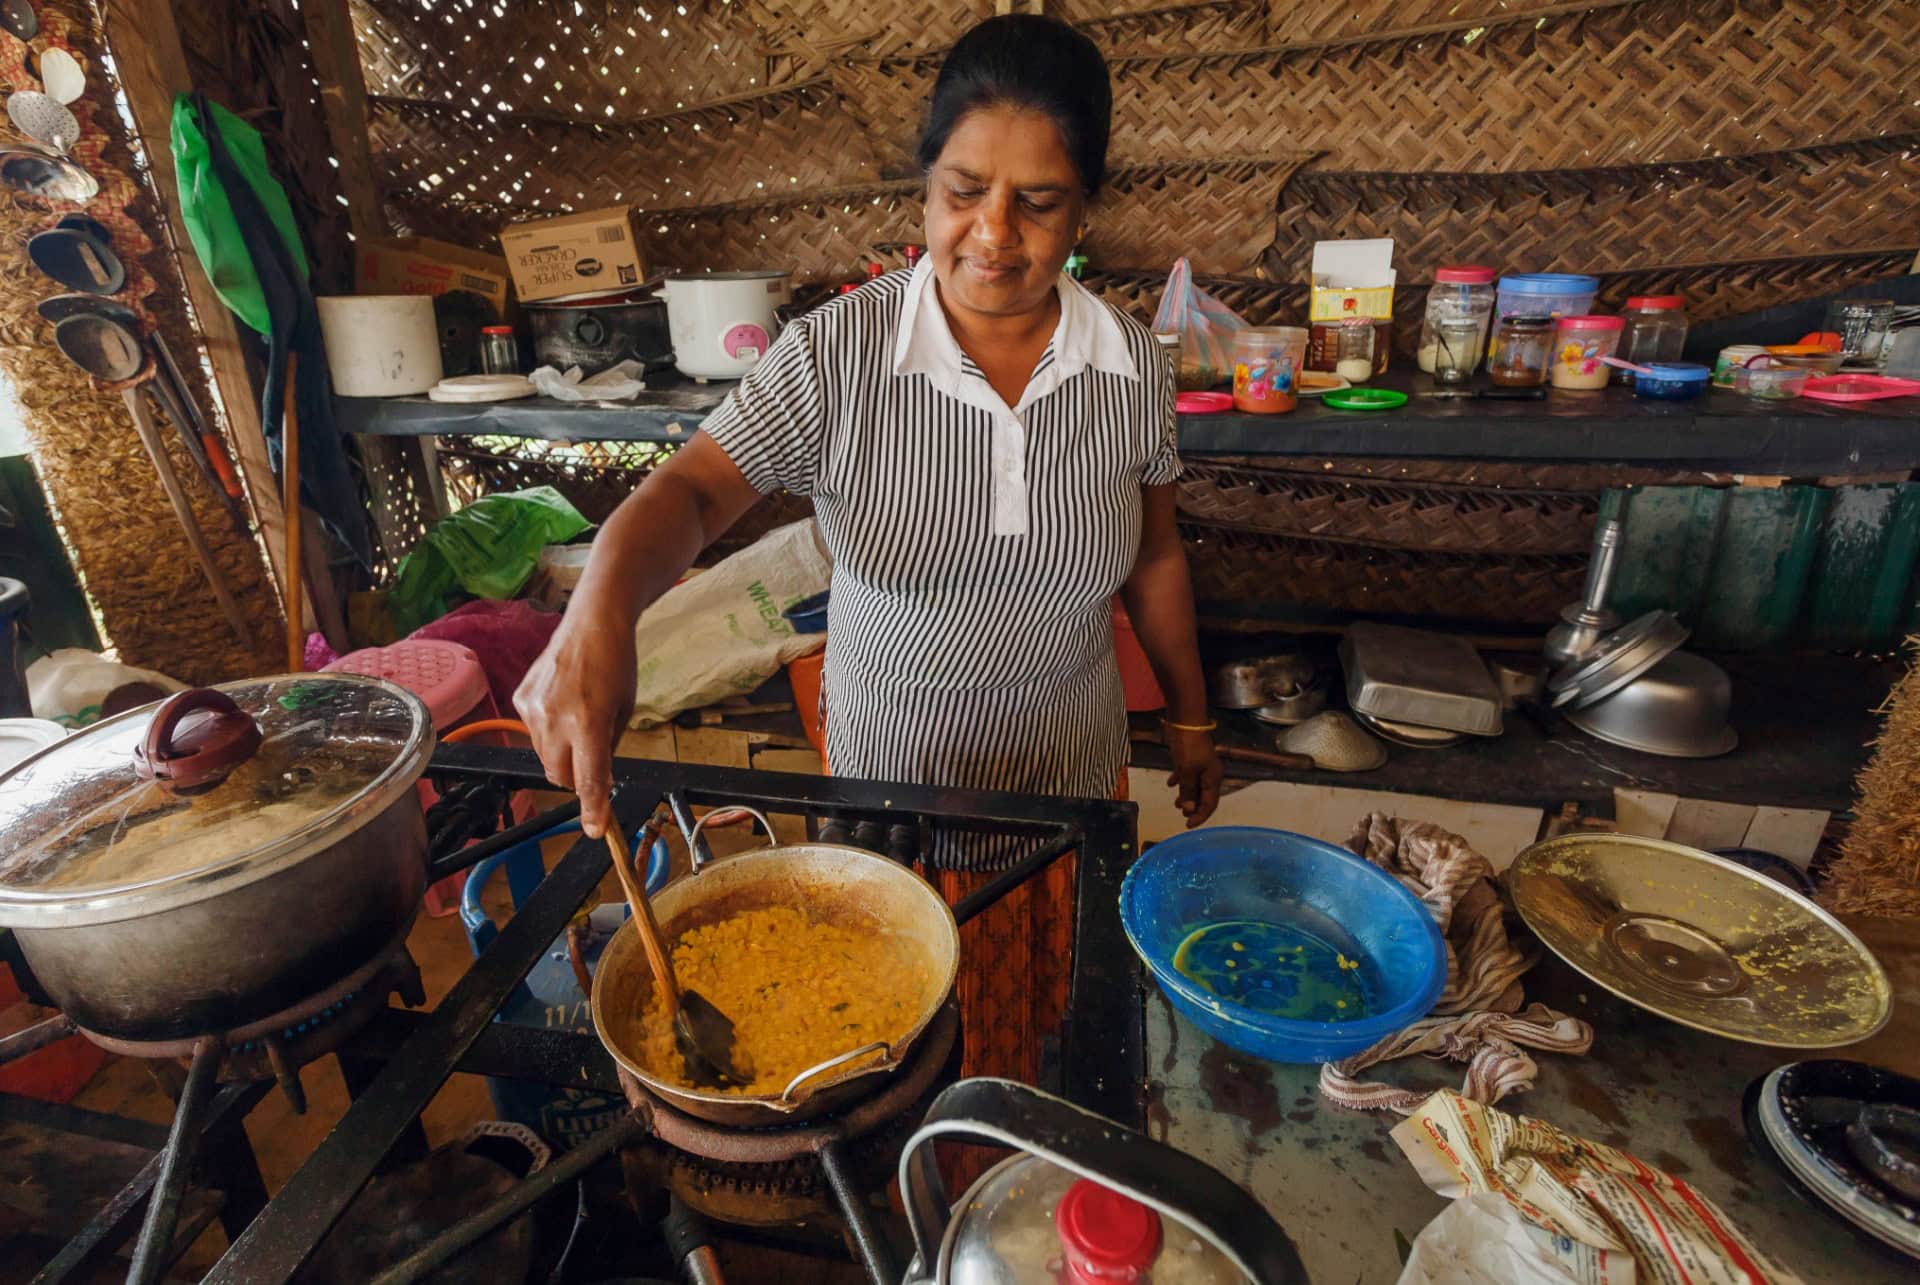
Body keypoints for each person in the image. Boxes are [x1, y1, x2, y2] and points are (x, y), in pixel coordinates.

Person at [516, 12, 1221, 1092]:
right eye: (961, 190)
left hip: (1063, 789)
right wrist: (596, 614)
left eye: (1037, 201)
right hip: (890, 786)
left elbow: (1157, 556)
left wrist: (1189, 714)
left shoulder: (1131, 362)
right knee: (873, 1053)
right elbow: (696, 491)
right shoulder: (837, 354)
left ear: (1085, 207)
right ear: (923, 188)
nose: (993, 233)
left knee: (1026, 1045)